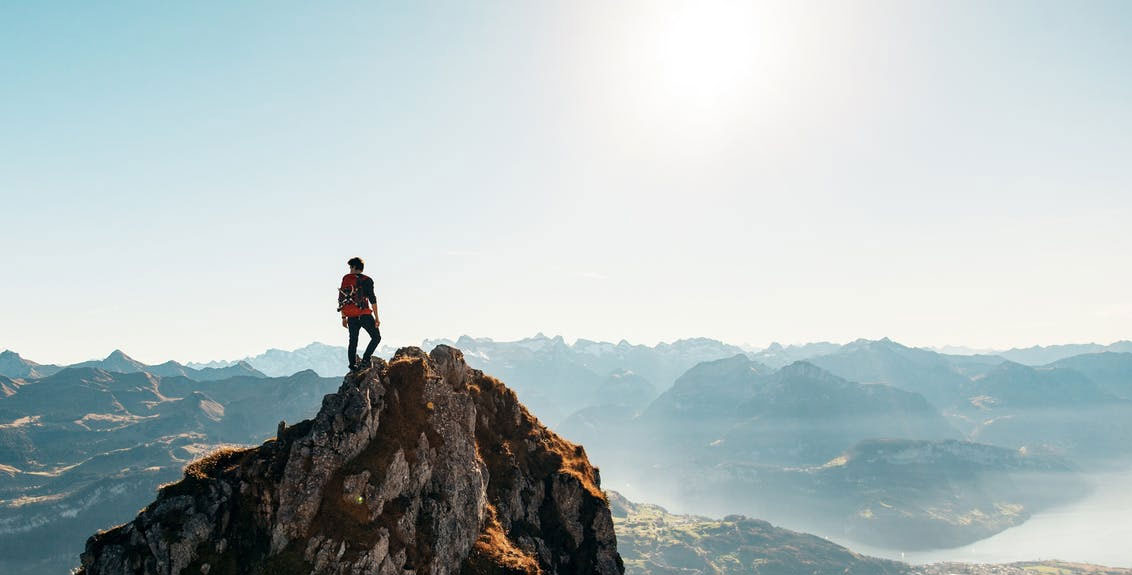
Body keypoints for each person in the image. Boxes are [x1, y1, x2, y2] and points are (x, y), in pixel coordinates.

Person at [338, 257, 381, 371]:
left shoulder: (346, 279)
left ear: (354, 267)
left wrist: (343, 317)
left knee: (353, 341)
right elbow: (372, 299)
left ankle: (352, 365)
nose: (350, 270)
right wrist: (377, 318)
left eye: (350, 267)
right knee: (376, 337)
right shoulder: (367, 280)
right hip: (364, 314)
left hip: (351, 316)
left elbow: (342, 299)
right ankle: (365, 360)